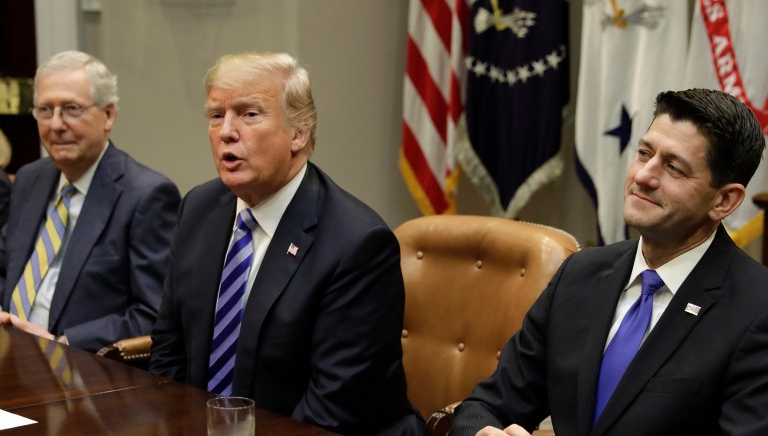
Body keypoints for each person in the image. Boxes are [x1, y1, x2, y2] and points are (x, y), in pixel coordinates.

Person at [451, 89, 768, 436]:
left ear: (724, 200)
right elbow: (486, 406)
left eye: (674, 168)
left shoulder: (757, 311)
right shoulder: (580, 273)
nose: (644, 176)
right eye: (644, 153)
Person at [149, 52, 423, 435]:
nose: (227, 131)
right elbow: (169, 348)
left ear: (299, 133)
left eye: (249, 114)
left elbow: (334, 406)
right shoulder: (198, 208)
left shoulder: (357, 244)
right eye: (216, 115)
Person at [0, 51, 180, 352]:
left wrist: (63, 343)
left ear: (108, 115)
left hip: (82, 370)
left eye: (71, 109)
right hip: (11, 353)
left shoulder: (146, 195)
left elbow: (154, 313)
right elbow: (5, 265)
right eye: (45, 110)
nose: (56, 124)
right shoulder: (31, 178)